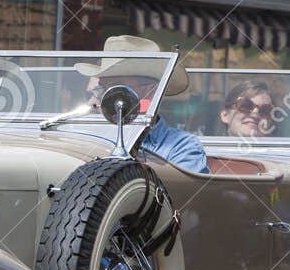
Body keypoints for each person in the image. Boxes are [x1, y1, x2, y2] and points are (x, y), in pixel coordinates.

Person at [74, 36, 208, 175]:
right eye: (100, 90)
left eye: (112, 89)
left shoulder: (181, 147)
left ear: (149, 91)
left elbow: (179, 194)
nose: (94, 101)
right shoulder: (84, 138)